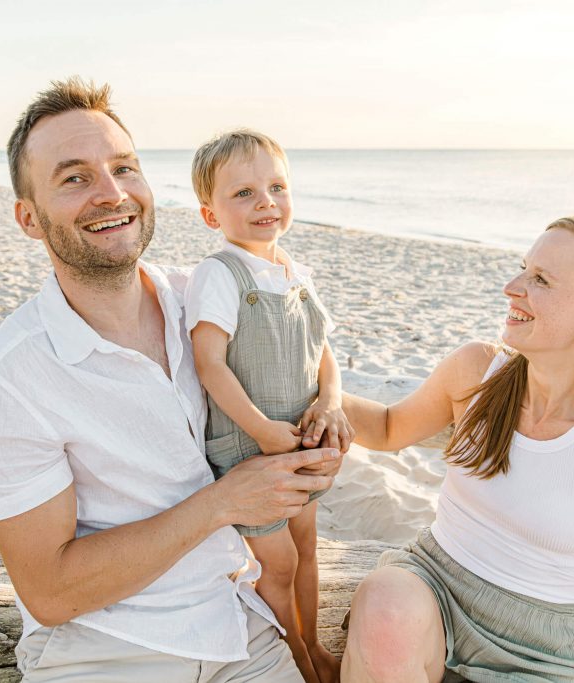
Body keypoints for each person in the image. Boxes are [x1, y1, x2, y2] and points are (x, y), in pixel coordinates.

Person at [0, 77, 342, 682]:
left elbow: (294, 380)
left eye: (125, 168)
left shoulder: (208, 297)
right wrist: (223, 503)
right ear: (28, 218)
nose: (112, 194)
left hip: (243, 629)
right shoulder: (7, 378)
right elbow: (50, 593)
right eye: (74, 177)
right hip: (108, 650)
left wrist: (329, 427)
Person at [339, 217, 574, 682]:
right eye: (523, 269)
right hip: (432, 587)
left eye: (541, 280)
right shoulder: (475, 373)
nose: (512, 287)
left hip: (539, 646)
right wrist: (315, 386)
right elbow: (387, 429)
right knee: (385, 605)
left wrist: (571, 665)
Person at [185, 129, 351, 683]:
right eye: (244, 193)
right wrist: (261, 429)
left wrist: (330, 403)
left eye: (277, 186)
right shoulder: (220, 275)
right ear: (211, 215)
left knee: (306, 548)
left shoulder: (293, 272)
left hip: (301, 445)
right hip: (249, 452)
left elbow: (323, 350)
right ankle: (292, 659)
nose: (266, 202)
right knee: (276, 565)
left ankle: (314, 644)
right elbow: (210, 365)